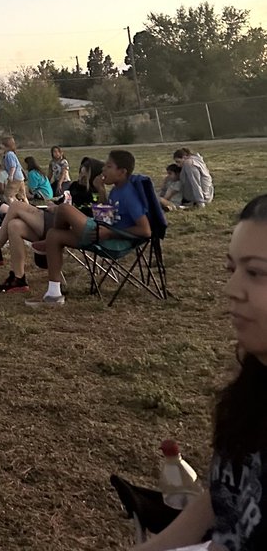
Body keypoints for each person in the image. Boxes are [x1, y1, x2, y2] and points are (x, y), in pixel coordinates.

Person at [133, 193, 267, 550]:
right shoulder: (255, 383)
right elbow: (221, 495)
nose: (231, 288)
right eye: (231, 269)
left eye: (255, 272)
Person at [25, 149, 151, 309]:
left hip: (114, 240)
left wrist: (110, 232)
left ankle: (45, 244)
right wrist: (101, 190)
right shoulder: (117, 190)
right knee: (54, 235)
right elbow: (108, 215)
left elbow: (146, 231)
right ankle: (53, 295)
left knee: (63, 209)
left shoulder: (129, 194)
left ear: (122, 172)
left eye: (109, 166)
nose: (103, 169)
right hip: (102, 231)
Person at [0, 137, 28, 203]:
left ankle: (13, 208)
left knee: (8, 195)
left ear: (5, 145)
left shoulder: (9, 154)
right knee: (23, 196)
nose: (0, 145)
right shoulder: (11, 154)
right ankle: (28, 208)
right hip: (20, 178)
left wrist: (11, 175)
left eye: (1, 144)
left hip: (15, 178)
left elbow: (13, 166)